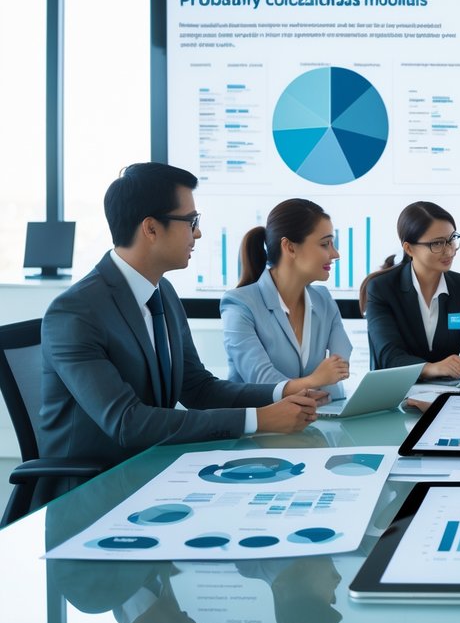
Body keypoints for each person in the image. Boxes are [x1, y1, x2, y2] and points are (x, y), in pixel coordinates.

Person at [39, 163, 320, 503]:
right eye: (191, 222)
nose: (197, 234)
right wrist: (258, 420)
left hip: (155, 476)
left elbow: (197, 387)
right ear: (151, 228)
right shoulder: (76, 313)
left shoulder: (163, 293)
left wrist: (279, 395)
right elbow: (127, 422)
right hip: (92, 496)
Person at [220, 198, 352, 399]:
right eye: (325, 244)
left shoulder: (323, 299)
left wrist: (324, 379)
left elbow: (339, 368)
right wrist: (315, 380)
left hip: (316, 420)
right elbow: (262, 382)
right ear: (290, 247)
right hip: (259, 425)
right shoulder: (239, 304)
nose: (335, 254)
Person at [360, 201, 460, 379]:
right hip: (393, 395)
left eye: (452, 240)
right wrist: (433, 368)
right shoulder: (382, 288)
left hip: (447, 394)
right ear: (409, 248)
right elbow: (389, 357)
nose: (449, 250)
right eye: (437, 244)